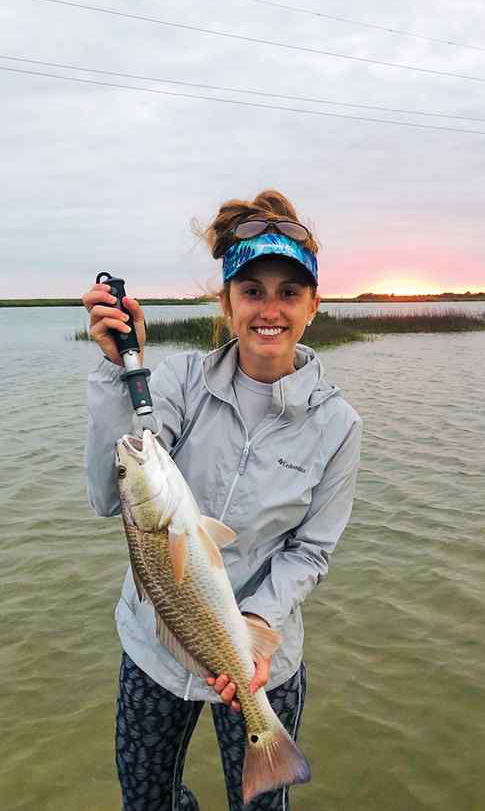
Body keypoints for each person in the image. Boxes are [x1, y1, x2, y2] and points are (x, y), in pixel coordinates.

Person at [82, 189, 362, 811]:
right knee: (146, 801)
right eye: (252, 291)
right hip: (154, 651)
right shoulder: (179, 380)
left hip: (264, 662)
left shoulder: (338, 424)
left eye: (289, 292)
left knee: (262, 806)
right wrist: (112, 372)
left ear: (314, 305)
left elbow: (311, 552)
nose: (270, 309)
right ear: (227, 302)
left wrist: (258, 625)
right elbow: (110, 495)